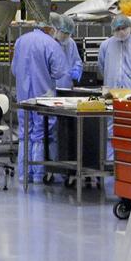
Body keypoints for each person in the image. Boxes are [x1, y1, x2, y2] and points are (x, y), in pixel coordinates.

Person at [10, 17, 67, 183]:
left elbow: (14, 69)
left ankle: (23, 174)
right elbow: (58, 72)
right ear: (52, 28)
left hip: (23, 95)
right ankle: (37, 174)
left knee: (24, 133)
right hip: (44, 95)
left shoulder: (21, 41)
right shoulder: (51, 44)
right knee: (40, 134)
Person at [99, 14, 131, 161]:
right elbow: (102, 67)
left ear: (129, 27)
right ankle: (110, 162)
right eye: (118, 28)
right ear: (113, 29)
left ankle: (129, 160)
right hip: (111, 93)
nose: (121, 31)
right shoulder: (106, 45)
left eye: (123, 28)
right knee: (110, 127)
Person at [45, 14, 84, 174]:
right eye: (64, 33)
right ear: (56, 29)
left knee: (67, 130)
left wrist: (77, 69)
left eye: (68, 34)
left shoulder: (71, 43)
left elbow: (77, 61)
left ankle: (67, 163)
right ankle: (54, 165)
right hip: (50, 91)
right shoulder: (48, 43)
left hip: (67, 90)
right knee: (52, 129)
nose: (66, 36)